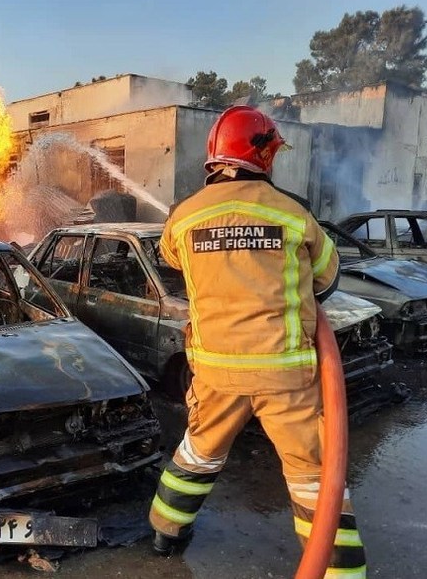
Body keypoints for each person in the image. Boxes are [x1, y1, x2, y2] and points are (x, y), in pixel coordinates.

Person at [149, 105, 366, 578]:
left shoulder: (183, 215)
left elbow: (173, 260)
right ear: (265, 155)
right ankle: (340, 572)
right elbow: (328, 279)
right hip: (285, 375)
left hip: (215, 375)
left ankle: (165, 533)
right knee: (315, 479)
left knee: (198, 453)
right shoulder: (293, 213)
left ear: (213, 156)